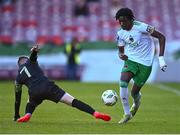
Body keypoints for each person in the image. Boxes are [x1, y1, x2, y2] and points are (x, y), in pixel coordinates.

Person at [13, 44, 111, 122]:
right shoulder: (30, 62)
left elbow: (17, 98)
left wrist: (16, 114)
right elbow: (33, 57)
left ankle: (27, 114)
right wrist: (34, 51)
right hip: (47, 87)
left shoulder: (18, 78)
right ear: (26, 61)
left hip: (34, 92)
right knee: (73, 101)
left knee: (30, 102)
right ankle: (95, 113)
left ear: (19, 65)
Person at [115, 8, 167, 124]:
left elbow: (162, 37)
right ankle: (127, 113)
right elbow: (121, 50)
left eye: (124, 21)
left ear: (131, 19)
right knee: (123, 82)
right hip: (131, 60)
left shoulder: (142, 27)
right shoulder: (120, 33)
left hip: (145, 64)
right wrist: (121, 55)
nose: (122, 24)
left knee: (134, 92)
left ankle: (136, 103)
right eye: (120, 22)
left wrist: (161, 59)